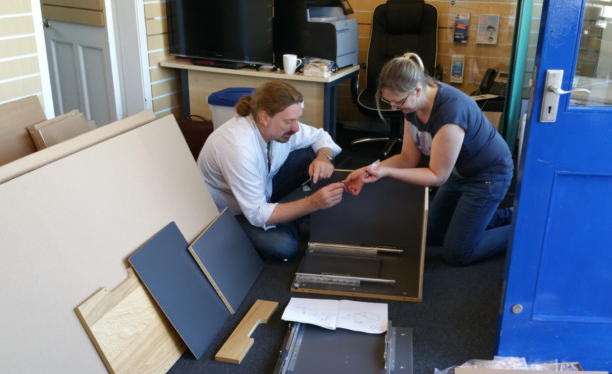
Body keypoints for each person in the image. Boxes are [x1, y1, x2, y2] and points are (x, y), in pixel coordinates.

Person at [343, 53, 513, 266]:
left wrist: (385, 172)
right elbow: (407, 158)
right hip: (457, 171)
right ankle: (486, 219)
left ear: (417, 90)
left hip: (487, 176)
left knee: (457, 254)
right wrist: (370, 168)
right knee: (431, 235)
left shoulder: (450, 112)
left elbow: (437, 176)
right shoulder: (412, 103)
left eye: (398, 102)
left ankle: (523, 227)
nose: (394, 108)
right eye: (390, 102)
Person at [198, 81, 345, 261]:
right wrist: (312, 203)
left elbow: (320, 136)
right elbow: (256, 214)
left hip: (263, 186)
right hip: (233, 211)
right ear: (265, 117)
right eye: (289, 121)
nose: (296, 128)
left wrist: (324, 157)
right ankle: (290, 215)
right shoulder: (238, 147)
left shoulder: (278, 126)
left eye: (297, 119)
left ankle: (287, 214)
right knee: (285, 245)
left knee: (314, 154)